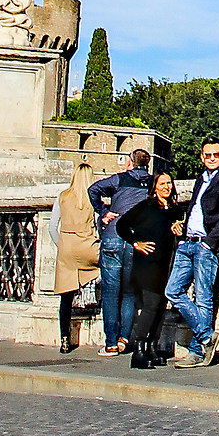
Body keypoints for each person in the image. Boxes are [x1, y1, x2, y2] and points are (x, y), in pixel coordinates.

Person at [163, 139, 219, 368]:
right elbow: (196, 208)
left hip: (206, 247)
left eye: (216, 155)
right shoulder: (201, 178)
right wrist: (183, 229)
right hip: (187, 243)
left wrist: (209, 243)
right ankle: (207, 337)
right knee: (173, 290)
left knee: (203, 299)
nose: (212, 158)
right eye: (208, 155)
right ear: (201, 157)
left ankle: (197, 352)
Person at [89, 149, 156, 355]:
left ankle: (110, 343)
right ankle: (124, 339)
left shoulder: (119, 179)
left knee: (110, 293)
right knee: (129, 293)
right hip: (136, 241)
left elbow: (93, 190)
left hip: (113, 237)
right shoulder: (153, 183)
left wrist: (103, 212)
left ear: (130, 163)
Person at [118, 171, 181, 370]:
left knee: (161, 306)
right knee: (151, 305)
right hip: (147, 264)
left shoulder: (173, 209)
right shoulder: (146, 206)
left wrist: (180, 229)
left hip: (165, 263)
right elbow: (122, 225)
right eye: (162, 183)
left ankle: (152, 347)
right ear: (154, 186)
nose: (166, 187)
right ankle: (138, 349)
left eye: (169, 183)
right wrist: (136, 243)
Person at [51, 158, 101, 353]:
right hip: (87, 246)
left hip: (67, 248)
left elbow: (51, 227)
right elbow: (99, 225)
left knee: (65, 297)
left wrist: (61, 245)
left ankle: (64, 339)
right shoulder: (92, 199)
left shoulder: (62, 197)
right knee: (107, 268)